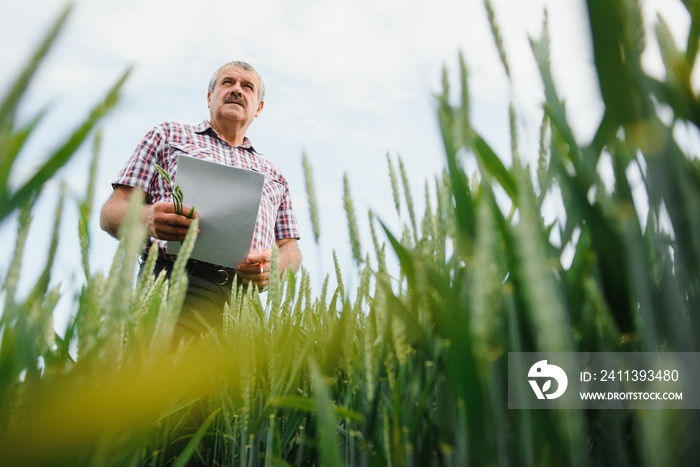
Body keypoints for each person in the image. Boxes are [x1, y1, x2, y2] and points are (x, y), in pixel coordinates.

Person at [100, 60, 301, 340]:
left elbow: (289, 247)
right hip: (172, 285)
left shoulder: (275, 175)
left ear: (259, 108)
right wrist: (148, 218)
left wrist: (274, 268)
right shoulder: (167, 135)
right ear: (209, 97)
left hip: (243, 303)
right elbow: (112, 211)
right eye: (227, 82)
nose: (236, 90)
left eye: (247, 87)